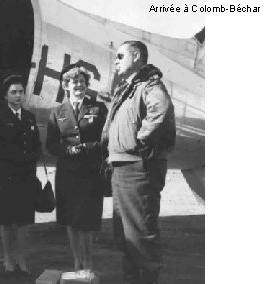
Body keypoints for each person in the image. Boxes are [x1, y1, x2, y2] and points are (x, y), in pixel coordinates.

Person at [102, 41, 176, 284]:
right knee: (126, 237)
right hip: (123, 168)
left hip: (137, 169)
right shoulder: (129, 87)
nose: (115, 60)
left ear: (136, 56)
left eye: (120, 55)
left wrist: (141, 139)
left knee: (140, 236)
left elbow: (161, 109)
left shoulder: (148, 85)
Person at [46, 64, 108, 270]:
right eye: (74, 82)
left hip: (90, 173)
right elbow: (51, 144)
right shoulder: (58, 112)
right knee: (71, 220)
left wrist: (87, 147)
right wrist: (67, 151)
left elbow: (106, 140)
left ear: (86, 85)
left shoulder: (98, 109)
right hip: (67, 174)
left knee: (87, 222)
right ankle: (77, 261)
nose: (78, 85)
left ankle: (88, 263)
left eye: (82, 82)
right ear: (66, 85)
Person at [0, 74, 41, 274]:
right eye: (13, 92)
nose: (18, 96)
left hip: (27, 175)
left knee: (23, 219)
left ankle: (20, 256)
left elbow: (37, 145)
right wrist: (22, 158)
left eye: (21, 92)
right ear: (6, 96)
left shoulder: (30, 117)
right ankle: (8, 257)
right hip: (8, 174)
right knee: (6, 218)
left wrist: (33, 156)